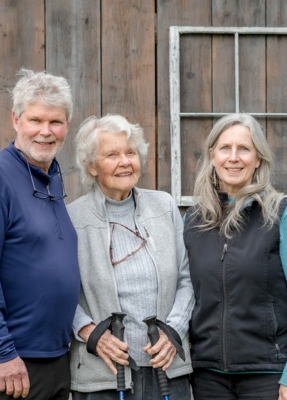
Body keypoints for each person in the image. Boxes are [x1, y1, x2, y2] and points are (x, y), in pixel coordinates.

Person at [0, 69, 80, 399]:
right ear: (16, 120)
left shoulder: (52, 180)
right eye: (36, 120)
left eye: (55, 122)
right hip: (9, 361)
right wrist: (2, 352)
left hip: (53, 356)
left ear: (66, 126)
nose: (46, 132)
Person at [183, 113, 287, 400]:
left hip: (267, 374)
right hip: (207, 375)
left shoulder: (282, 214)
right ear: (212, 156)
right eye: (225, 148)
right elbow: (185, 293)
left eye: (244, 149)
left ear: (258, 159)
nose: (234, 157)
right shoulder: (193, 220)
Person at [67, 114, 194, 399]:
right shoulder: (72, 218)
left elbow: (187, 279)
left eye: (130, 153)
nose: (125, 162)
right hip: (104, 373)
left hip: (166, 368)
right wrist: (90, 333)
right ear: (92, 166)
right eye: (112, 154)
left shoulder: (164, 206)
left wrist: (173, 331)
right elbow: (61, 292)